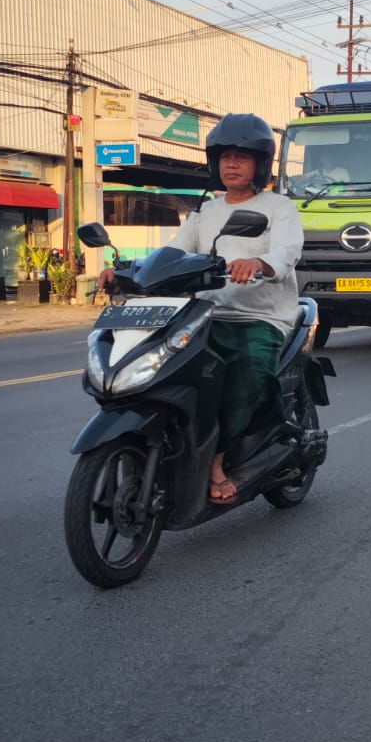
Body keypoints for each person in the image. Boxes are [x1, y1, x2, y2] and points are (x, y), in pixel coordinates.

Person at [99, 113, 303, 506]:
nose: (232, 164)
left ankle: (217, 459)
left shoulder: (278, 207)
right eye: (225, 156)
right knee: (179, 375)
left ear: (260, 163)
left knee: (248, 376)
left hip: (259, 317)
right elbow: (172, 253)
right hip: (205, 314)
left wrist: (259, 263)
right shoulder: (205, 212)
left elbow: (288, 250)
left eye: (242, 157)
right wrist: (124, 272)